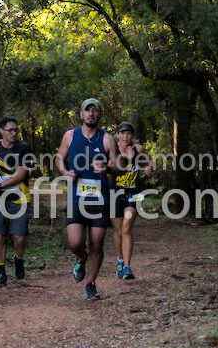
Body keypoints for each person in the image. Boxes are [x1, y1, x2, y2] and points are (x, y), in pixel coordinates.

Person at [55, 98, 117, 300]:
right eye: (87, 111)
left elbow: (117, 167)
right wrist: (64, 171)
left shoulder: (107, 139)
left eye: (95, 111)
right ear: (81, 114)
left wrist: (107, 168)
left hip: (100, 199)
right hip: (76, 197)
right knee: (75, 243)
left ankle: (90, 284)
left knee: (97, 243)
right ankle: (81, 258)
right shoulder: (70, 136)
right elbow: (59, 157)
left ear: (100, 114)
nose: (91, 114)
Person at [0, 116, 33, 286]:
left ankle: (18, 259)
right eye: (10, 130)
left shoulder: (23, 147)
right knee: (0, 234)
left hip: (20, 197)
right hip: (0, 199)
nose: (14, 133)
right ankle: (1, 270)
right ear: (1, 131)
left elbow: (21, 174)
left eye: (16, 129)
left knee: (19, 237)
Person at [111, 122, 152, 280]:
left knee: (127, 227)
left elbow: (149, 162)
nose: (126, 136)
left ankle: (127, 267)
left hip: (134, 193)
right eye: (123, 133)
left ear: (132, 136)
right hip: (115, 193)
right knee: (119, 230)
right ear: (118, 135)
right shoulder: (112, 151)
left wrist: (149, 169)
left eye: (129, 133)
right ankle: (119, 261)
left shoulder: (138, 150)